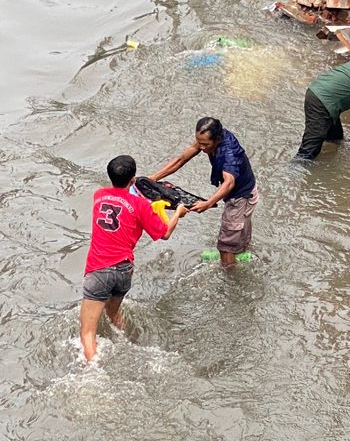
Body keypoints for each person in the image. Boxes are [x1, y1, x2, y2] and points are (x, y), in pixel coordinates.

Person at [80, 154, 186, 361]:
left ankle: (92, 373)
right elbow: (164, 233)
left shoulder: (98, 195)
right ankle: (128, 342)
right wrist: (178, 214)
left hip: (99, 269)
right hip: (124, 271)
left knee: (87, 332)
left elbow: (122, 198)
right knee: (113, 314)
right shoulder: (140, 205)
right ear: (133, 178)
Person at [148, 117, 256, 268]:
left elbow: (229, 182)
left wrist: (208, 203)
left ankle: (230, 275)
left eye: (206, 144)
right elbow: (181, 159)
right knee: (237, 234)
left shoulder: (229, 153)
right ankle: (240, 256)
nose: (202, 148)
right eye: (199, 142)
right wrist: (152, 178)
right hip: (246, 191)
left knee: (225, 246)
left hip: (240, 198)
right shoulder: (209, 138)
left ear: (218, 139)